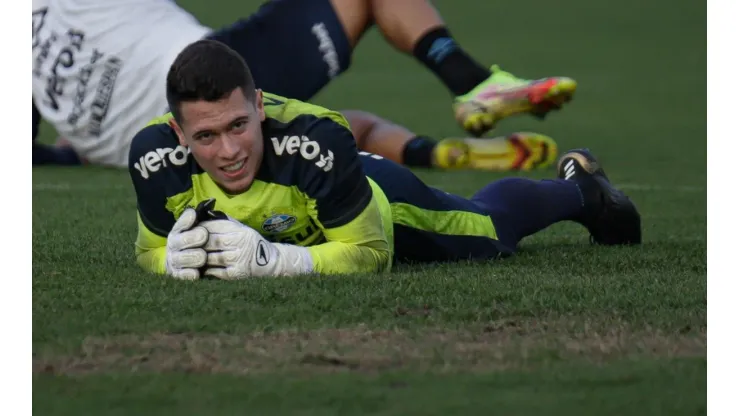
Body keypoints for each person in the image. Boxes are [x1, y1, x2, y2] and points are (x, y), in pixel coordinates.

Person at [129, 40, 639, 280]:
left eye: (239, 125)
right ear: (178, 132)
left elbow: (369, 254)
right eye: (207, 136)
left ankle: (584, 191)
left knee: (488, 230)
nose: (230, 150)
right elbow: (150, 250)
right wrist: (169, 263)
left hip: (374, 200)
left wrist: (273, 261)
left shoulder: (316, 142)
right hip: (306, 221)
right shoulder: (155, 159)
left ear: (259, 105)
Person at [32, 0, 572, 171]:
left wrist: (81, 155)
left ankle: (433, 154)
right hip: (203, 75)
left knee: (333, 131)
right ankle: (473, 82)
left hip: (153, 147)